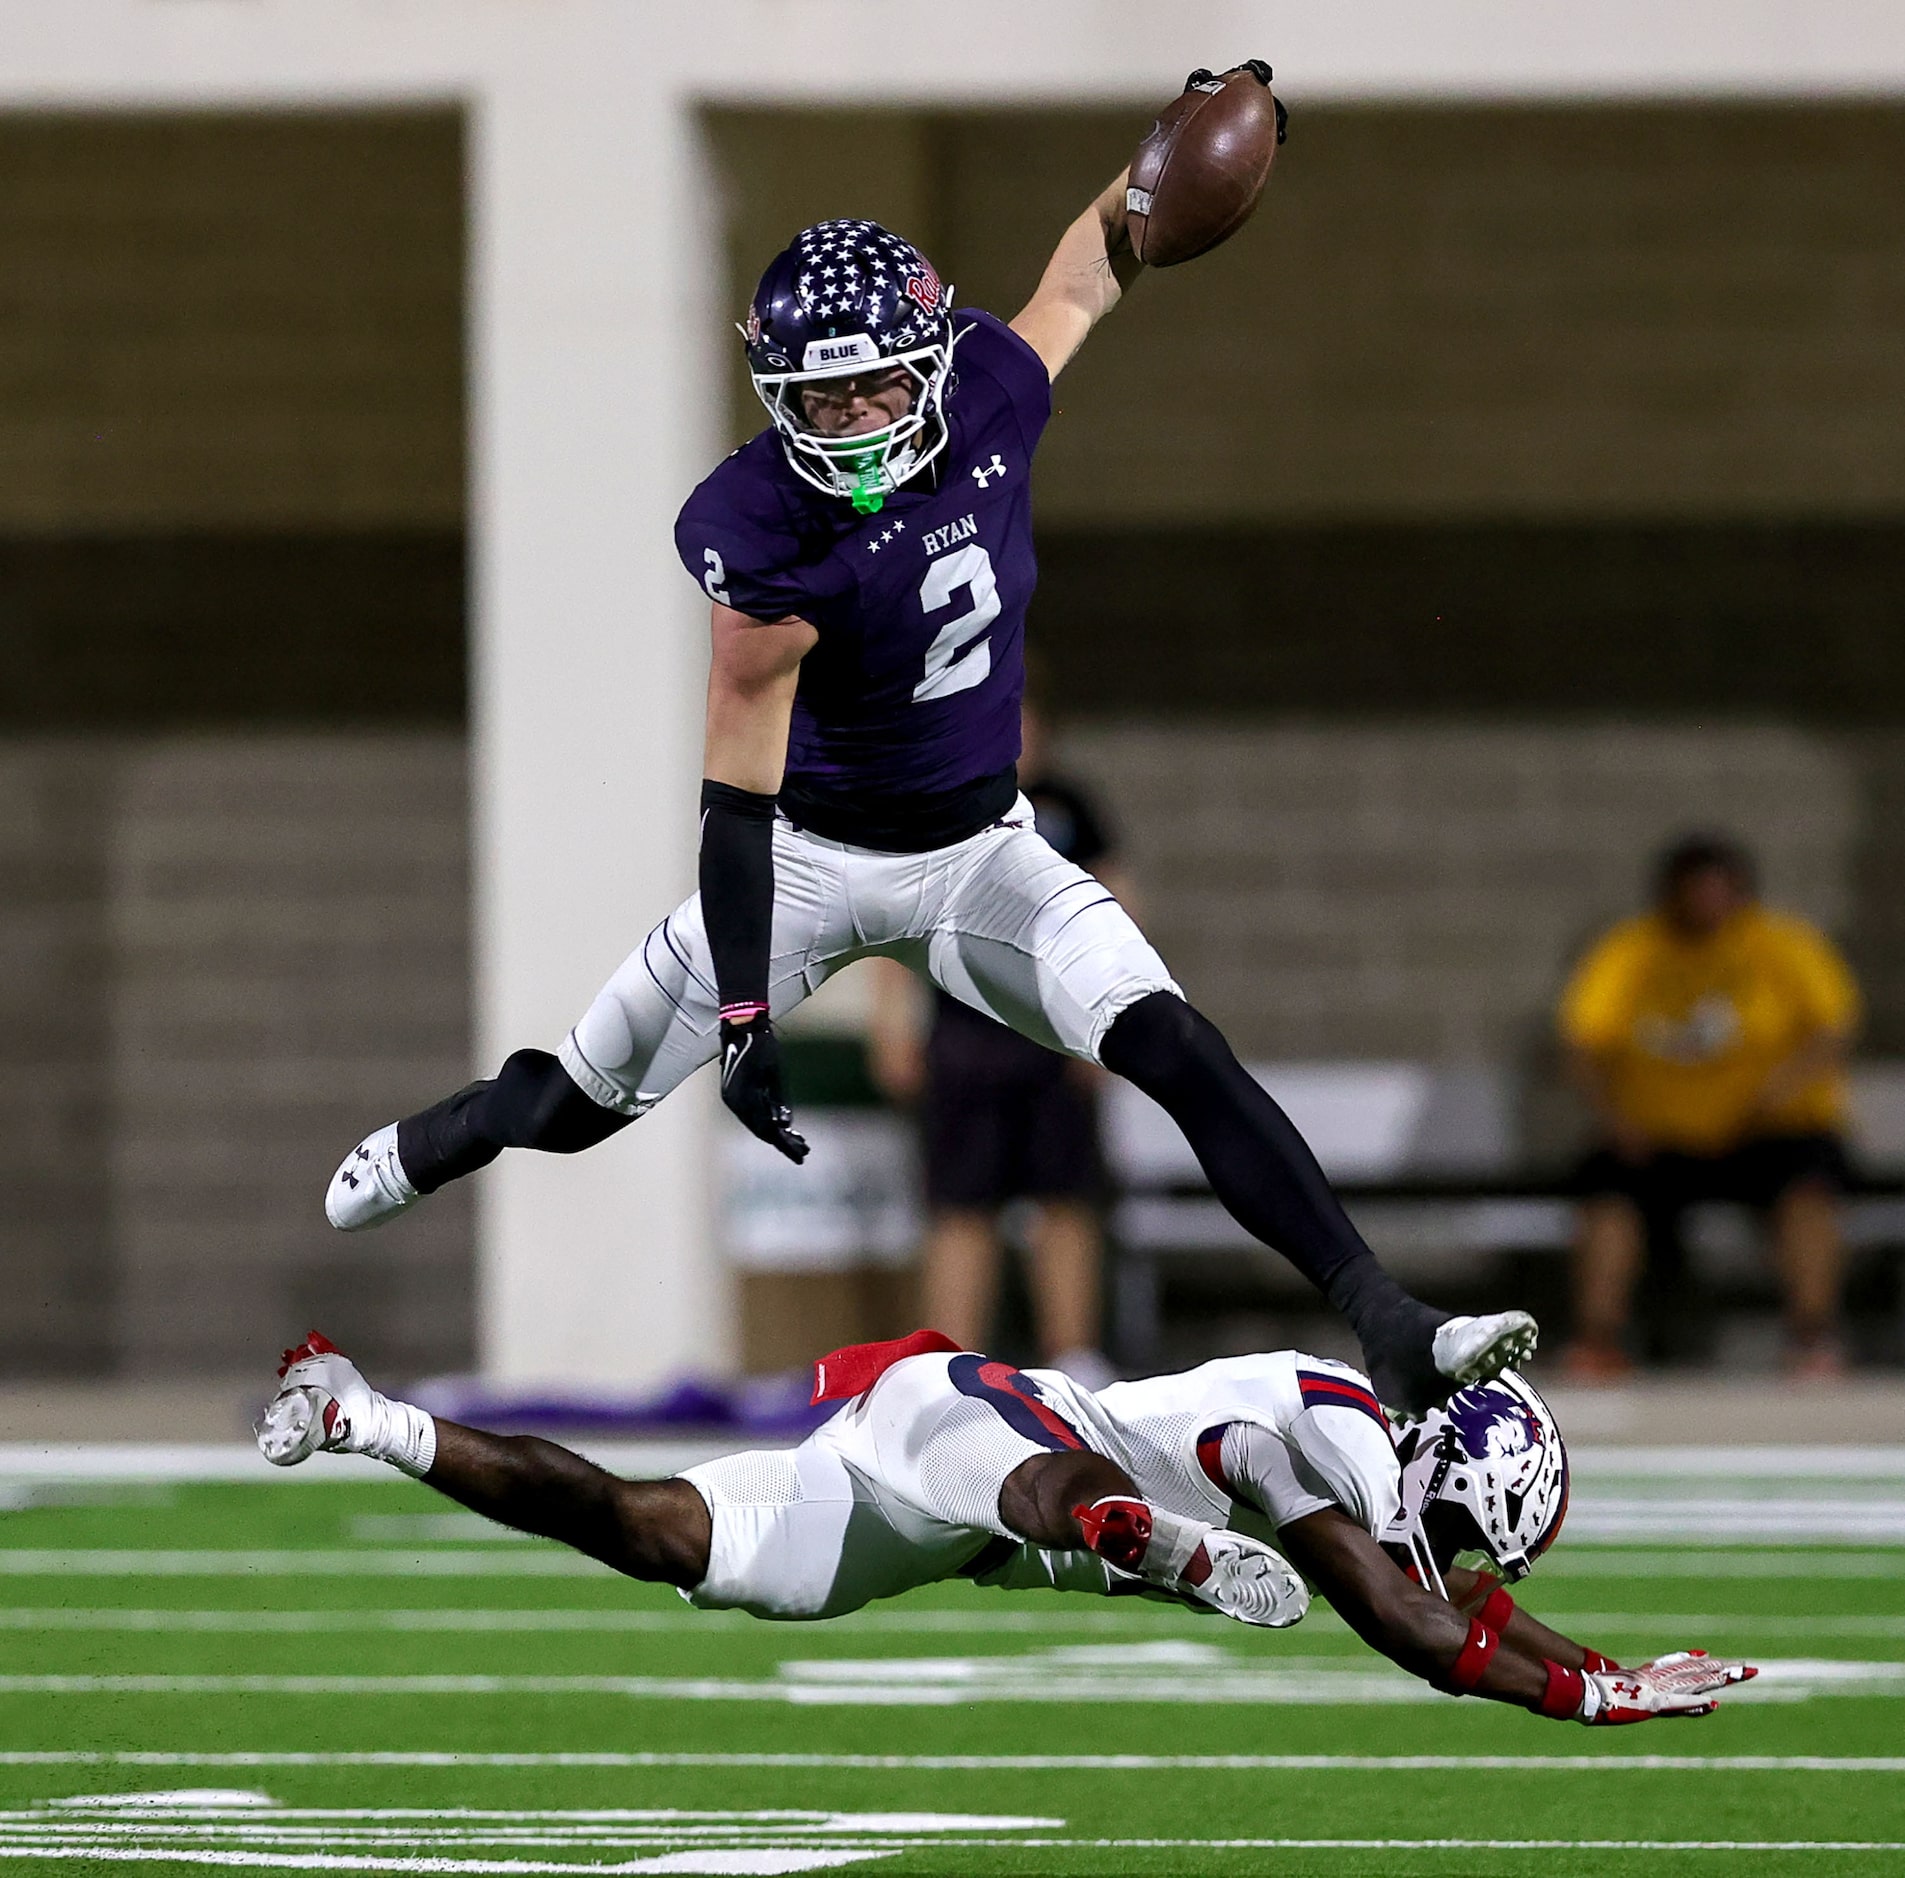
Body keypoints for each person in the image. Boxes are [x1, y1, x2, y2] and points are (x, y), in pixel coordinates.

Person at [321, 122, 1534, 1413]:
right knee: (578, 1102)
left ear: (933, 361)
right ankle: (445, 1132)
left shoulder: (993, 390)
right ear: (770, 390)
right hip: (807, 858)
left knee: (1174, 1042)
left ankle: (1385, 1316)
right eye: (818, 398)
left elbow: (1084, 271)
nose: (848, 424)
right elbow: (733, 803)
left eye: (874, 390)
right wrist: (743, 1015)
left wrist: (1155, 162)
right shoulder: (757, 526)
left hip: (976, 853)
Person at [257, 1326, 1754, 1727]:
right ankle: (1120, 1529)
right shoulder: (1341, 1438)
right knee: (1046, 1488)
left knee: (647, 1529)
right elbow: (1417, 1629)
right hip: (982, 1424)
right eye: (1477, 1535)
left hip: (924, 1518)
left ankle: (360, 1414)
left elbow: (1449, 1614)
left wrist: (1595, 1667)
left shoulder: (1375, 1470)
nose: (1467, 1563)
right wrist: (1587, 1688)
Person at [866, 696, 1123, 1383]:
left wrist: (1106, 1021)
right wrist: (890, 1025)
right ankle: (947, 1362)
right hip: (963, 1041)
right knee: (960, 1205)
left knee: (1063, 1200)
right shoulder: (935, 808)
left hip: (1051, 1034)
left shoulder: (1070, 808)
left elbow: (1113, 909)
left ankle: (1072, 1356)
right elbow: (898, 924)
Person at [1559, 833, 1862, 1381]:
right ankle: (1598, 1339)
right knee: (1608, 1194)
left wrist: (1781, 1090)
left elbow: (1834, 1030)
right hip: (1661, 1137)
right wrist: (1614, 1118)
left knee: (1808, 1191)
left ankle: (1813, 1336)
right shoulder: (1632, 949)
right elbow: (1582, 1041)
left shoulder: (1783, 944)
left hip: (1765, 1131)